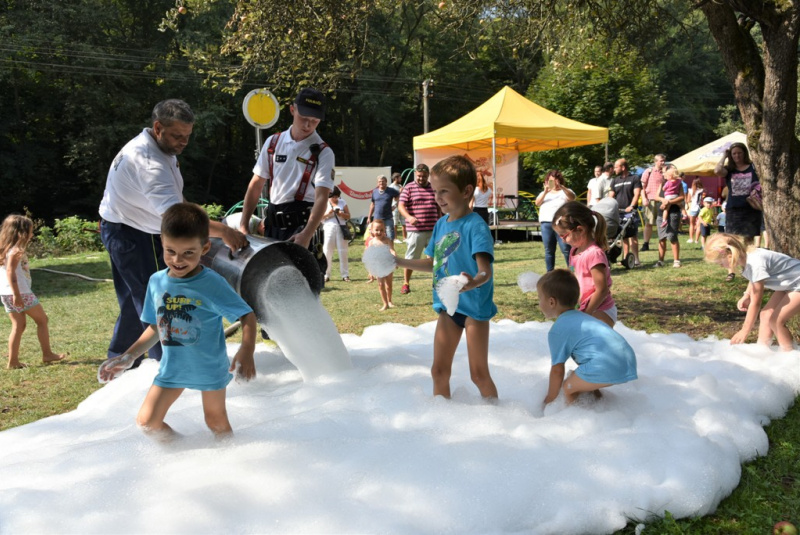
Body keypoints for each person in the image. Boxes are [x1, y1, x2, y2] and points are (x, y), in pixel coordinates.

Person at [99, 99, 247, 367]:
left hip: (129, 228)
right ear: (158, 128)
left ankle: (119, 361)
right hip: (132, 235)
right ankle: (168, 366)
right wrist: (223, 231)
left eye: (188, 135)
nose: (184, 142)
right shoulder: (149, 163)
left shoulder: (159, 146)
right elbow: (177, 216)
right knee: (158, 301)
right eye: (178, 136)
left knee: (137, 300)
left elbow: (178, 202)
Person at [98, 203, 257, 440]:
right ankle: (183, 450)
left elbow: (246, 315)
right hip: (172, 367)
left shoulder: (211, 283)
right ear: (161, 242)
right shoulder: (157, 281)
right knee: (147, 422)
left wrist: (247, 349)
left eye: (188, 253)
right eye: (170, 251)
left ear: (204, 248)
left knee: (215, 421)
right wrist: (128, 356)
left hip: (208, 367)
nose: (177, 259)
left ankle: (231, 456)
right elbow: (156, 326)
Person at [394, 155, 498, 399]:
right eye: (435, 191)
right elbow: (433, 263)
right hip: (449, 307)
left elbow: (485, 270)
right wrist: (399, 262)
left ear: (466, 191)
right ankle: (441, 417)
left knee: (478, 374)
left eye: (444, 191)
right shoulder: (441, 224)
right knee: (438, 371)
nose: (437, 197)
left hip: (473, 308)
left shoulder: (475, 226)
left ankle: (498, 416)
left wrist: (473, 282)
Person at [238, 88, 334, 257]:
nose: (308, 125)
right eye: (304, 118)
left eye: (314, 120)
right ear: (292, 110)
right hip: (272, 227)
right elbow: (256, 184)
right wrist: (244, 225)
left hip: (301, 228)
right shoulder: (273, 142)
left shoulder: (323, 152)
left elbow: (322, 198)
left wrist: (307, 234)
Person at [536, 269, 637, 406]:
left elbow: (557, 371)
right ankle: (601, 406)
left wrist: (549, 400)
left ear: (551, 302)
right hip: (626, 359)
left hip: (607, 365)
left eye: (539, 298)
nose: (539, 303)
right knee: (579, 377)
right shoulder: (584, 317)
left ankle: (573, 415)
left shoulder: (558, 330)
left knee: (568, 388)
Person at [704, 233, 800, 352]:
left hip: (797, 283)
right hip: (789, 284)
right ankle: (762, 350)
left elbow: (756, 303)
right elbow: (754, 278)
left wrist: (745, 331)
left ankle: (789, 355)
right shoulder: (748, 258)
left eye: (720, 263)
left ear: (730, 255)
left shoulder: (755, 263)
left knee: (776, 321)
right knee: (765, 315)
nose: (721, 266)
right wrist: (747, 294)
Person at [0, 215, 67, 369]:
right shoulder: (16, 251)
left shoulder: (5, 250)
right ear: (21, 233)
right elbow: (10, 272)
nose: (32, 234)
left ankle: (13, 362)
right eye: (30, 231)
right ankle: (47, 354)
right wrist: (17, 295)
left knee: (18, 325)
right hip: (20, 293)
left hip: (5, 293)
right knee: (42, 320)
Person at [552, 201, 617, 327]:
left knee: (594, 338)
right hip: (583, 308)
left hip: (600, 308)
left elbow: (602, 290)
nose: (563, 241)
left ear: (580, 230)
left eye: (564, 236)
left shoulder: (594, 254)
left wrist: (585, 314)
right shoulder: (574, 251)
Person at [397, 163, 440, 295]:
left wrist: (440, 221)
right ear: (415, 174)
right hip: (416, 230)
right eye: (419, 176)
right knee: (411, 259)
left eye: (424, 176)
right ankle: (406, 283)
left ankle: (437, 282)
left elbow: (438, 206)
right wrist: (409, 217)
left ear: (428, 175)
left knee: (435, 258)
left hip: (433, 230)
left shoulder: (433, 188)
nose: (421, 178)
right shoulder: (409, 188)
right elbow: (401, 206)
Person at [714, 142, 762, 253]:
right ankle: (734, 260)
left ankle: (748, 261)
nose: (737, 156)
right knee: (732, 239)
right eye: (734, 153)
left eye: (739, 153)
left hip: (751, 208)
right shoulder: (729, 170)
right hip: (734, 209)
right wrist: (724, 156)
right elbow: (717, 171)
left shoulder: (753, 167)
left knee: (749, 239)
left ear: (744, 153)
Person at [534, 169, 576, 272]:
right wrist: (545, 191)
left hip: (561, 224)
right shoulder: (544, 193)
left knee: (566, 249)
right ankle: (550, 273)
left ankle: (572, 271)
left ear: (559, 180)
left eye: (555, 180)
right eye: (550, 181)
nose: (553, 183)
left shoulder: (565, 191)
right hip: (546, 223)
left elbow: (572, 197)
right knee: (549, 250)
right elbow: (537, 203)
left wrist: (562, 187)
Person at [608, 159, 642, 267]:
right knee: (623, 235)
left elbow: (637, 194)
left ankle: (636, 259)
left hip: (630, 211)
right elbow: (611, 195)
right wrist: (610, 206)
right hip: (618, 212)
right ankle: (626, 259)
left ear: (623, 167)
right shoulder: (615, 180)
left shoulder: (634, 178)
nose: (614, 169)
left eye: (616, 167)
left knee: (633, 235)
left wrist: (631, 206)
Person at [651, 164, 685, 268]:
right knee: (661, 237)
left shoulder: (678, 183)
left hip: (673, 212)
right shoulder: (662, 184)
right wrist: (663, 200)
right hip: (661, 213)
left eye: (665, 171)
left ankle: (676, 261)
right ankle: (660, 261)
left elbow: (682, 197)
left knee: (672, 236)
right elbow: (656, 196)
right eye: (663, 172)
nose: (663, 173)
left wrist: (669, 202)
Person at [321, 186, 351, 282]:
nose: (335, 198)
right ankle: (326, 274)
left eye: (337, 196)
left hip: (341, 227)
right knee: (327, 251)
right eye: (333, 196)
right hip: (328, 227)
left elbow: (348, 216)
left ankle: (345, 275)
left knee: (343, 251)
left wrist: (341, 214)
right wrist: (329, 213)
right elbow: (320, 217)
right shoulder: (325, 202)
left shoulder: (342, 202)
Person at [366, 219, 396, 310]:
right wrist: (370, 270)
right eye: (376, 230)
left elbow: (392, 250)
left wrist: (394, 257)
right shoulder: (371, 242)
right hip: (378, 267)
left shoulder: (387, 240)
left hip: (388, 265)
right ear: (372, 230)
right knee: (380, 285)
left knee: (389, 284)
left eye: (381, 230)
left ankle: (389, 301)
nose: (379, 232)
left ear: (385, 230)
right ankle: (385, 303)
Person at [640, 154, 667, 251]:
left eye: (664, 161)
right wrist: (644, 198)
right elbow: (642, 187)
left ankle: (662, 243)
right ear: (655, 162)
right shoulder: (648, 171)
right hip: (651, 200)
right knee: (649, 223)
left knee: (662, 222)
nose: (663, 162)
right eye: (661, 161)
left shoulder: (666, 172)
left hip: (662, 200)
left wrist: (665, 173)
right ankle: (646, 244)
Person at [367, 175, 399, 241]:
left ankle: (390, 247)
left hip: (388, 218)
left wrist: (395, 206)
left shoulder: (391, 191)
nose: (381, 183)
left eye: (383, 181)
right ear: (377, 183)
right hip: (377, 218)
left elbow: (399, 196)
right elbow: (372, 204)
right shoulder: (375, 192)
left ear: (386, 182)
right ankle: (379, 247)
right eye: (379, 181)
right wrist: (369, 217)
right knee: (376, 236)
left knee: (390, 236)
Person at [686, 178, 705, 245]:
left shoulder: (690, 191)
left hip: (693, 208)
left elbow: (688, 200)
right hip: (700, 208)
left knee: (691, 224)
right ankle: (696, 240)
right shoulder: (702, 190)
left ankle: (691, 238)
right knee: (699, 225)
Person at [389, 172, 406, 243]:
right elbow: (393, 198)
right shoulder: (391, 187)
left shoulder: (400, 185)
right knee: (395, 223)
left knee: (404, 223)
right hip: (395, 207)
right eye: (400, 178)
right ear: (395, 178)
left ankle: (405, 238)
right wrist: (399, 192)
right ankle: (395, 238)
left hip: (401, 206)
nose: (401, 179)